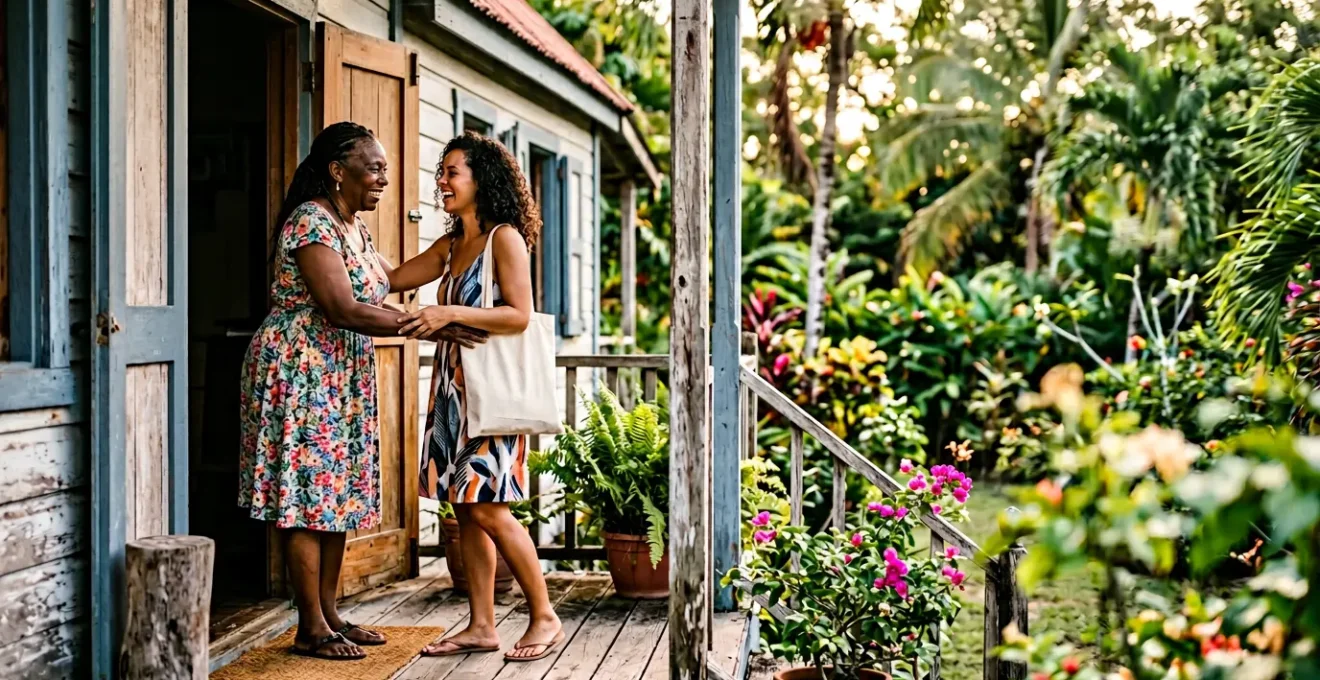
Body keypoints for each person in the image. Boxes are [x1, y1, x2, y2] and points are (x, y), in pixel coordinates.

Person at [237, 121, 478, 661]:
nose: (384, 180)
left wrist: (458, 244)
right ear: (336, 171)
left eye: (386, 169)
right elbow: (342, 307)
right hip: (301, 369)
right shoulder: (310, 223)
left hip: (341, 369)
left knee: (339, 491)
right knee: (306, 494)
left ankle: (330, 613)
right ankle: (309, 627)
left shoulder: (352, 228)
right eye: (374, 169)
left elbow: (385, 280)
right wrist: (425, 323)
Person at [387, 130, 563, 662]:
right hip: (453, 398)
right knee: (465, 511)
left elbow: (518, 314)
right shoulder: (452, 245)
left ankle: (544, 615)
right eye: (441, 171)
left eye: (452, 172)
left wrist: (450, 312)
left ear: (480, 179)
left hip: (491, 398)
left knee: (489, 511)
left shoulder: (502, 237)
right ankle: (482, 626)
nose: (442, 180)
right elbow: (390, 280)